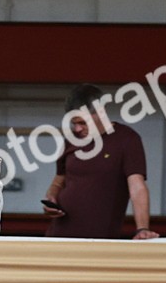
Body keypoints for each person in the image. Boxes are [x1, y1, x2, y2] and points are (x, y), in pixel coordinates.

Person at [42, 84, 158, 240]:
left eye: (82, 123)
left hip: (99, 238)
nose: (77, 129)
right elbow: (58, 181)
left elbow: (137, 187)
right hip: (59, 235)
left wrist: (142, 228)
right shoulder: (72, 140)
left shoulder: (127, 139)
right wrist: (51, 198)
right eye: (73, 123)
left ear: (100, 112)